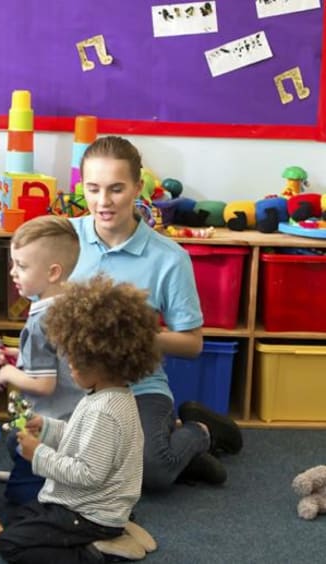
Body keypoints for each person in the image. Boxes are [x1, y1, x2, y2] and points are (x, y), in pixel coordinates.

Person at [69, 135, 243, 491]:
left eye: (116, 189)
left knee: (152, 473)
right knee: (50, 457)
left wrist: (137, 337)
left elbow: (193, 344)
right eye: (93, 188)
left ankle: (199, 432)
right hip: (76, 381)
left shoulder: (169, 257)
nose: (103, 202)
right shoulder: (63, 238)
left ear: (137, 188)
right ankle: (179, 452)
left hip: (140, 387)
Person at [0, 275, 161, 563]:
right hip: (86, 506)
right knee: (16, 516)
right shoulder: (108, 393)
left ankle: (96, 551)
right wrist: (45, 427)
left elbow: (86, 474)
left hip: (88, 514)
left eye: (75, 359)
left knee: (11, 543)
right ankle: (118, 530)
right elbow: (80, 437)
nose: (69, 364)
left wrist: (39, 454)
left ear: (105, 362)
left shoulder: (105, 411)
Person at [0, 214, 84, 504]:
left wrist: (8, 372)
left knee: (18, 500)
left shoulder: (40, 321)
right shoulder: (74, 303)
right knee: (12, 440)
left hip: (54, 429)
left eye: (22, 266)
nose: (12, 273)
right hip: (81, 425)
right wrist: (21, 358)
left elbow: (43, 385)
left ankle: (54, 486)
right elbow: (58, 357)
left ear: (53, 272)